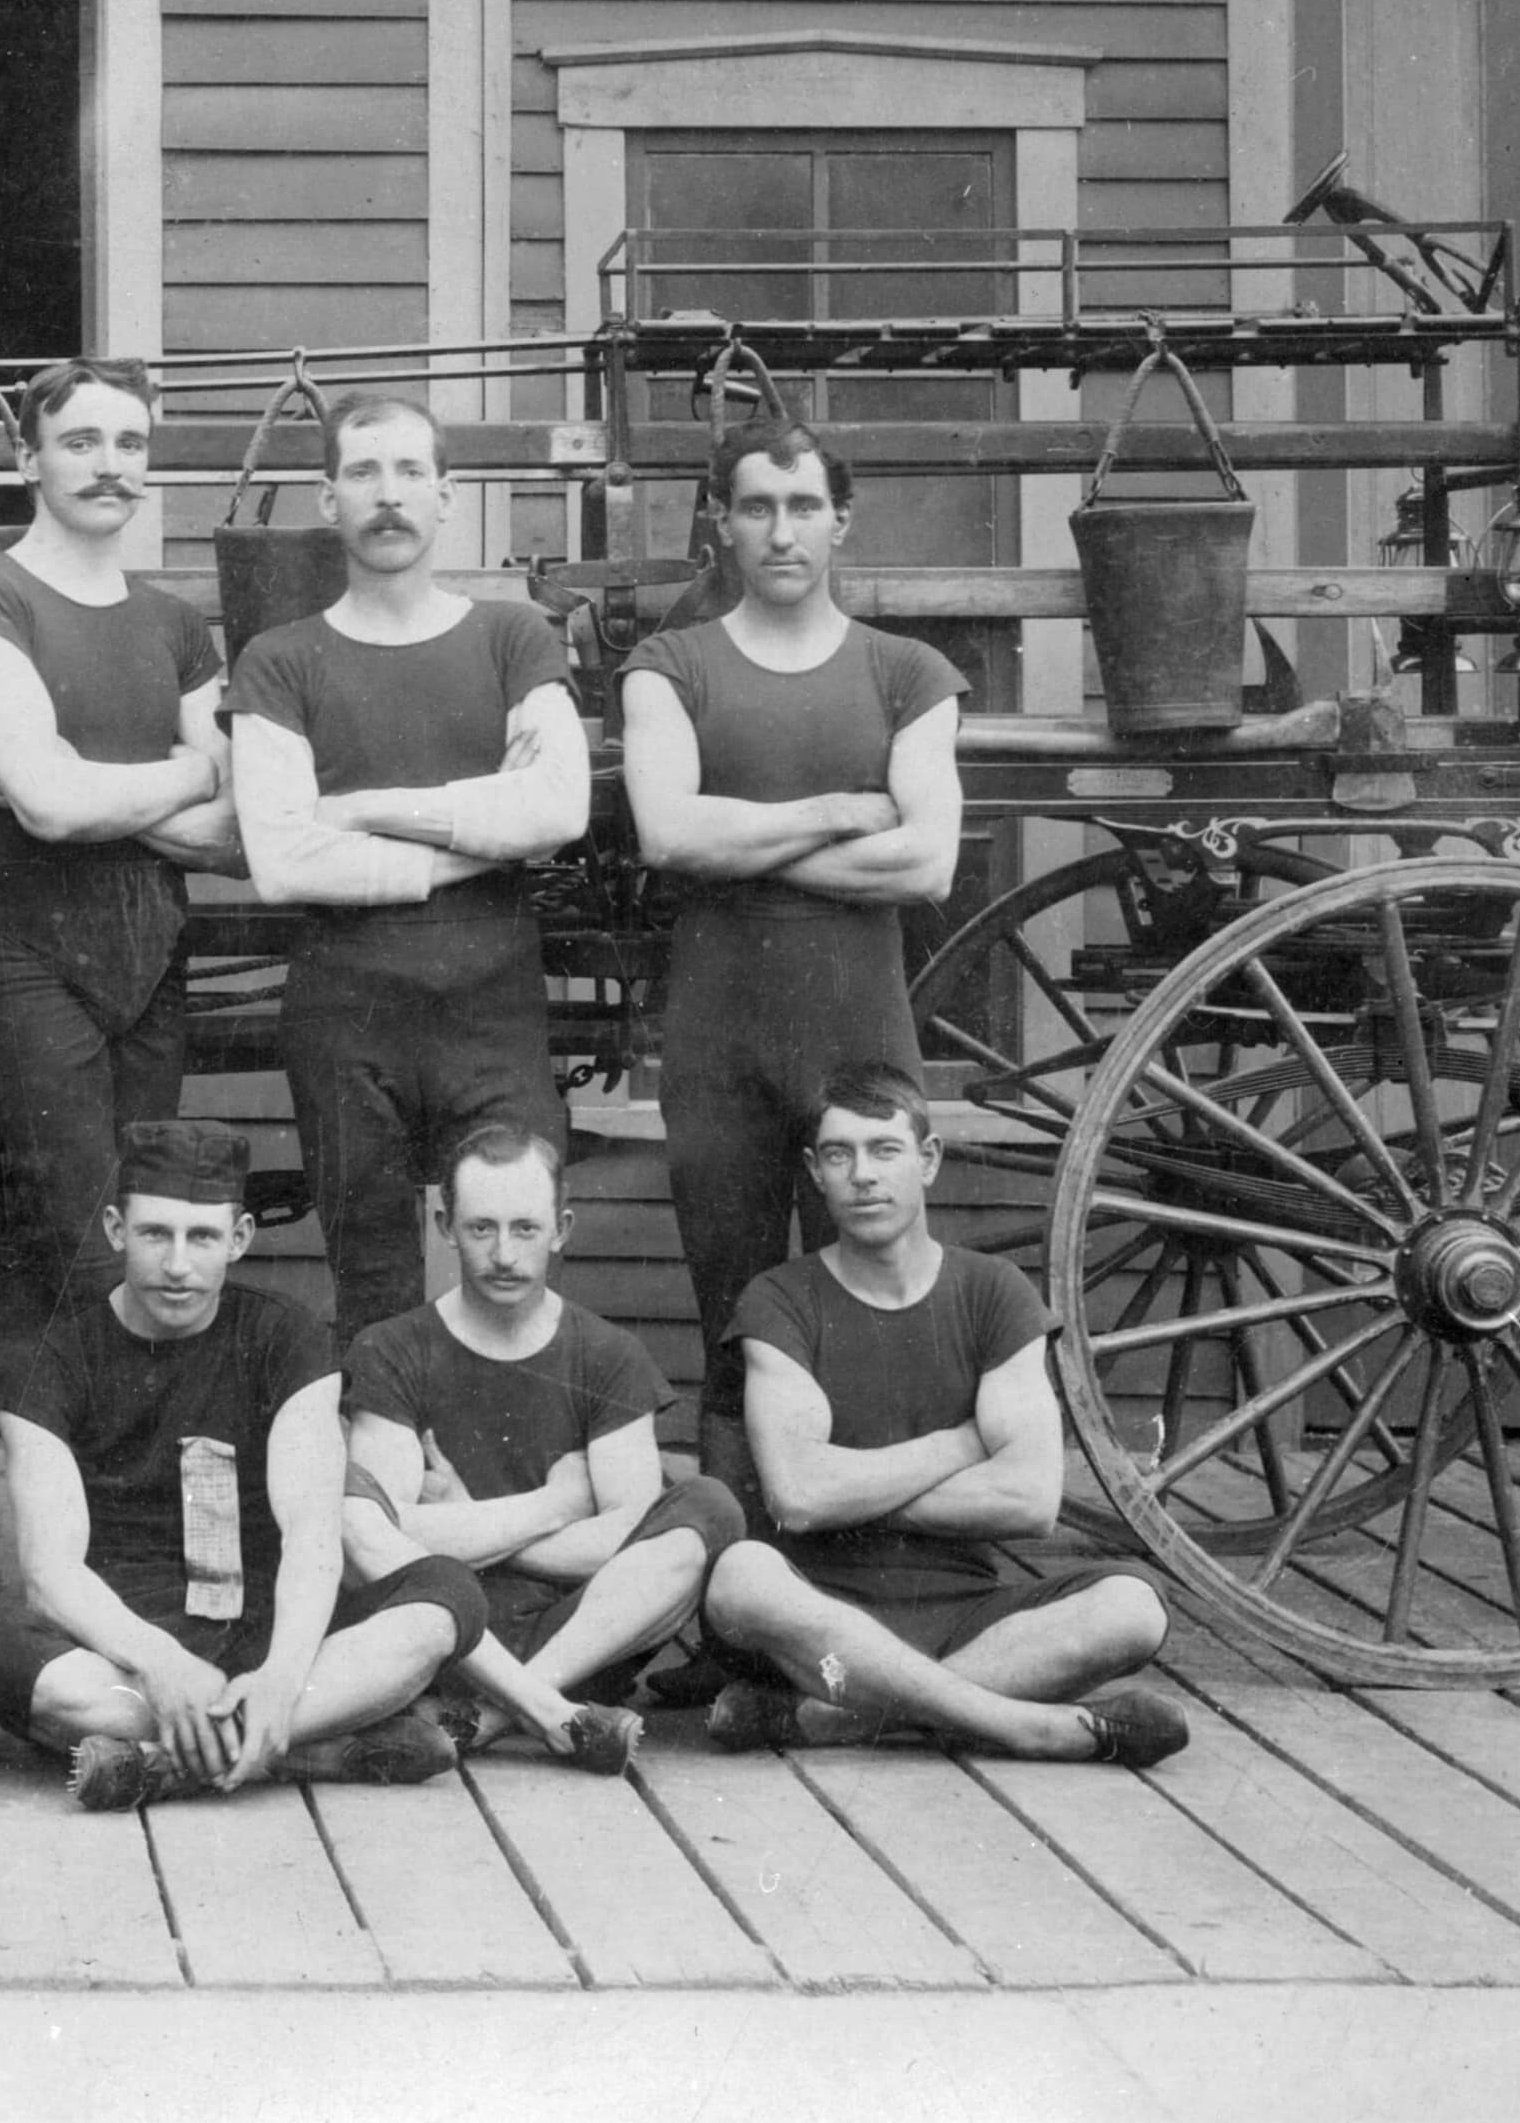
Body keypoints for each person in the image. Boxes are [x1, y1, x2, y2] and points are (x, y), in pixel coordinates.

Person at [618, 417, 965, 1488]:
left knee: (869, 1287)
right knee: (732, 1302)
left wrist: (748, 847)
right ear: (721, 521)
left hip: (856, 1024)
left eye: (804, 505)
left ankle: (871, 1562)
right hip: (719, 1033)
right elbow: (669, 834)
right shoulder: (670, 664)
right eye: (757, 506)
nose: (781, 530)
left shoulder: (906, 671)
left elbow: (926, 866)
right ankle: (737, 1574)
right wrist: (834, 809)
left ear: (840, 521)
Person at [0, 1120, 492, 1810]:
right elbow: (50, 1571)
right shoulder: (45, 1363)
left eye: (202, 1237)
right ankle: (309, 1747)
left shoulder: (288, 1338)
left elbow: (310, 1531)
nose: (177, 1263)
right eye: (156, 1234)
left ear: (238, 1237)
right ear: (118, 1229)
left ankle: (173, 1761)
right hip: (122, 1655)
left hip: (264, 1637)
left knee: (446, 1598)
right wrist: (162, 1663)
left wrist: (280, 1674)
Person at [228, 394, 591, 1340]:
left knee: (515, 1254)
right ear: (326, 500)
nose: (387, 496)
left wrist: (368, 811)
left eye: (409, 473)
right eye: (362, 473)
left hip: (493, 1003)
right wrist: (479, 832)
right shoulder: (280, 660)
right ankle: (381, 1481)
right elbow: (281, 858)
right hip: (348, 1011)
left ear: (447, 495)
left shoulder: (511, 637)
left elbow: (557, 809)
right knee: (374, 1279)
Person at [700, 1067, 1185, 1765]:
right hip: (816, 1614)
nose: (862, 1174)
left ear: (928, 1160)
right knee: (741, 1574)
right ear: (815, 1171)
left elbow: (1028, 1499)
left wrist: (853, 1490)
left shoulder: (993, 1292)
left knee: (1134, 1607)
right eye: (839, 1154)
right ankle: (1019, 1724)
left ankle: (827, 1722)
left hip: (965, 1614)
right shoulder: (781, 1299)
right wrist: (962, 1444)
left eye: (885, 1149)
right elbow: (800, 1497)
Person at [0, 359, 234, 1306]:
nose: (111, 466)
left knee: (149, 1212)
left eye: (130, 443)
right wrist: (193, 771)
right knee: (81, 1224)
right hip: (23, 936)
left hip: (152, 942)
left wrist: (81, 789)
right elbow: (49, 809)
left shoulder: (176, 624)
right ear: (28, 458)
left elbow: (235, 833)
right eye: (82, 442)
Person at [337, 1122, 738, 1764]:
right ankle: (532, 1709)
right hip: (434, 1637)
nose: (503, 1254)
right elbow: (382, 1536)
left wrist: (468, 1525)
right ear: (445, 1227)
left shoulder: (608, 1355)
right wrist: (555, 1505)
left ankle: (499, 1712)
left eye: (525, 1229)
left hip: (579, 1641)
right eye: (481, 1228)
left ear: (561, 1230)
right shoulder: (391, 1349)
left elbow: (628, 1540)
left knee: (707, 1507)